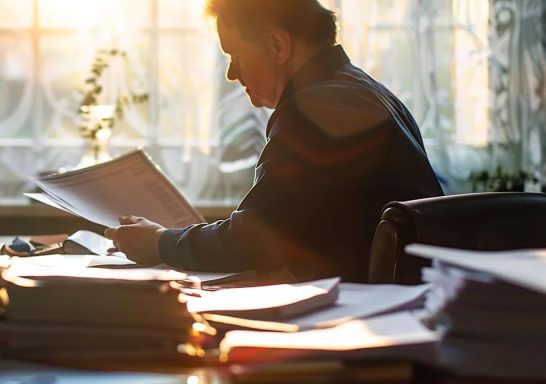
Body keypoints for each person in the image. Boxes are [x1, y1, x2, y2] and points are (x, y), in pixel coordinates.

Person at [104, 0, 443, 283]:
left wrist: (159, 242)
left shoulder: (313, 110)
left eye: (235, 54)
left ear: (278, 45)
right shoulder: (366, 91)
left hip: (372, 317)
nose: (231, 73)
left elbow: (256, 238)